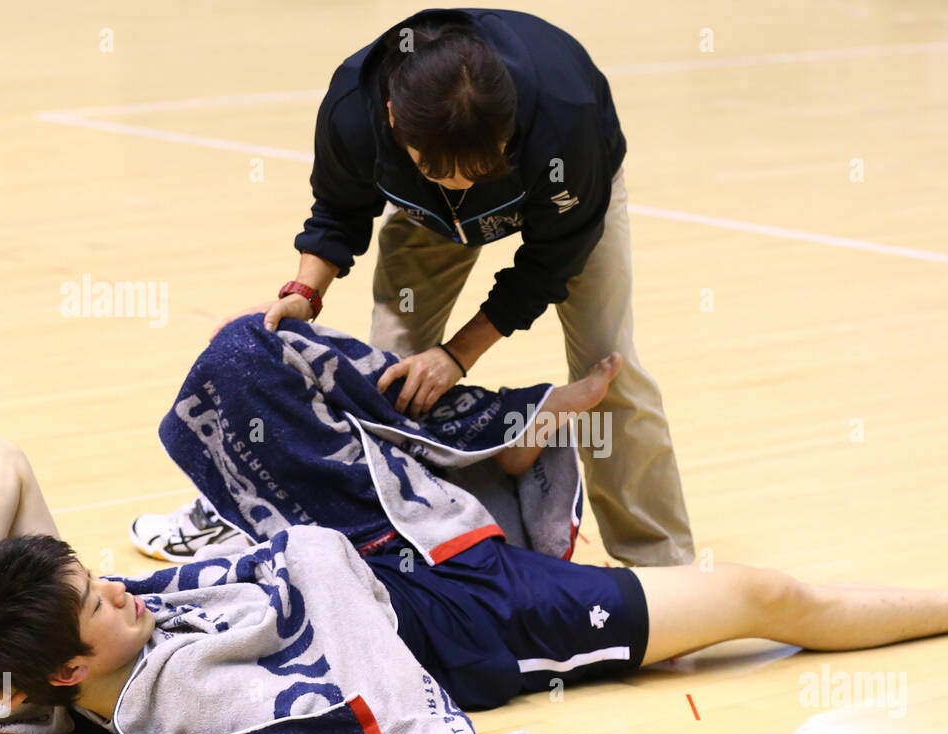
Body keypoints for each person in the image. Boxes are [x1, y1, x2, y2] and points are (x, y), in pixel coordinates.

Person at [0, 424, 948, 724]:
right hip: (484, 628)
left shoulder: (46, 674)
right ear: (74, 665)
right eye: (105, 607)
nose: (129, 593)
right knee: (762, 599)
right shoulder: (156, 701)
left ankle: (525, 483)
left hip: (405, 565)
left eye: (107, 577)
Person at [210, 7, 694, 569]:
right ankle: (421, 550)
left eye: (478, 169)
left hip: (564, 207)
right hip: (425, 217)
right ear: (393, 118)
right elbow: (339, 213)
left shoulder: (564, 120)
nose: (461, 183)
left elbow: (548, 265)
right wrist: (304, 292)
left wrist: (456, 356)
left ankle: (664, 565)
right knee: (389, 376)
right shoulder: (354, 106)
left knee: (610, 371)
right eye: (441, 168)